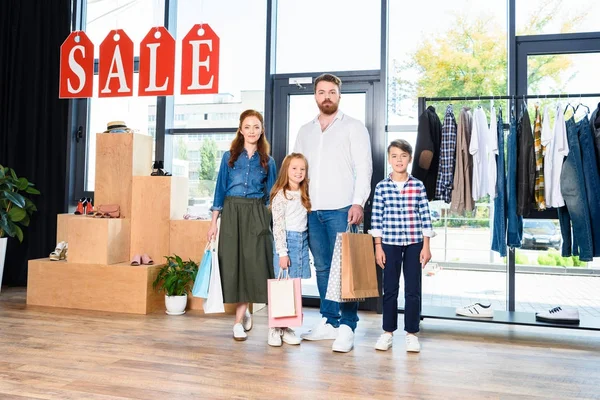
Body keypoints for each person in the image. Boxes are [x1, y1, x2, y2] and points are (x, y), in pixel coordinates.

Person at [294, 73, 373, 353]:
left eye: (331, 92)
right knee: (324, 268)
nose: (326, 96)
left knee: (347, 269)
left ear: (339, 96)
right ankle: (329, 321)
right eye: (321, 92)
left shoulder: (353, 127)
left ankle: (348, 326)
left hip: (343, 208)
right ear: (315, 96)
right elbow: (296, 171)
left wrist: (358, 202)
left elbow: (364, 167)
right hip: (312, 210)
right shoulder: (305, 131)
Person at [207, 109, 277, 342]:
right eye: (247, 127)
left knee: (254, 265)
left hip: (257, 213)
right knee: (234, 265)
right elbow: (219, 191)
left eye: (256, 127)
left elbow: (272, 197)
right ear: (240, 129)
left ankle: (242, 319)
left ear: (262, 130)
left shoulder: (269, 161)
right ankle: (241, 315)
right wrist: (213, 223)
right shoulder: (229, 157)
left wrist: (272, 223)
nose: (252, 131)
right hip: (232, 212)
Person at [370, 139, 433, 353]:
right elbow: (376, 219)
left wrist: (426, 246)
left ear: (410, 159)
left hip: (415, 243)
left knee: (413, 290)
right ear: (389, 159)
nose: (399, 160)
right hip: (389, 243)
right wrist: (378, 246)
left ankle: (411, 334)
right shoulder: (381, 187)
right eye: (394, 156)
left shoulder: (417, 185)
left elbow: (425, 216)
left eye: (403, 156)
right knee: (390, 289)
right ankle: (387, 332)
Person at [267, 153, 311, 347]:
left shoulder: (304, 193)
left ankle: (286, 327)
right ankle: (274, 328)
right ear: (286, 170)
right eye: (294, 168)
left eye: (302, 169)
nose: (298, 172)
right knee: (282, 285)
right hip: (286, 242)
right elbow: (278, 226)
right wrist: (282, 252)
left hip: (302, 241)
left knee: (294, 287)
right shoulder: (281, 195)